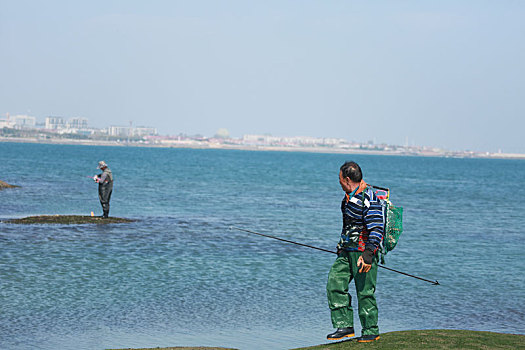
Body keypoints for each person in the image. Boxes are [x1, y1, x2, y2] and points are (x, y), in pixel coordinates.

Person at [326, 161, 384, 343]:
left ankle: (370, 330)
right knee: (334, 284)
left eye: (340, 178)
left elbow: (377, 228)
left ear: (347, 179)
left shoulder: (369, 198)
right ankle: (345, 326)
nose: (339, 181)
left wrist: (368, 255)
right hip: (346, 252)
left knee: (365, 292)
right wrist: (341, 247)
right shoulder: (349, 197)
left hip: (363, 253)